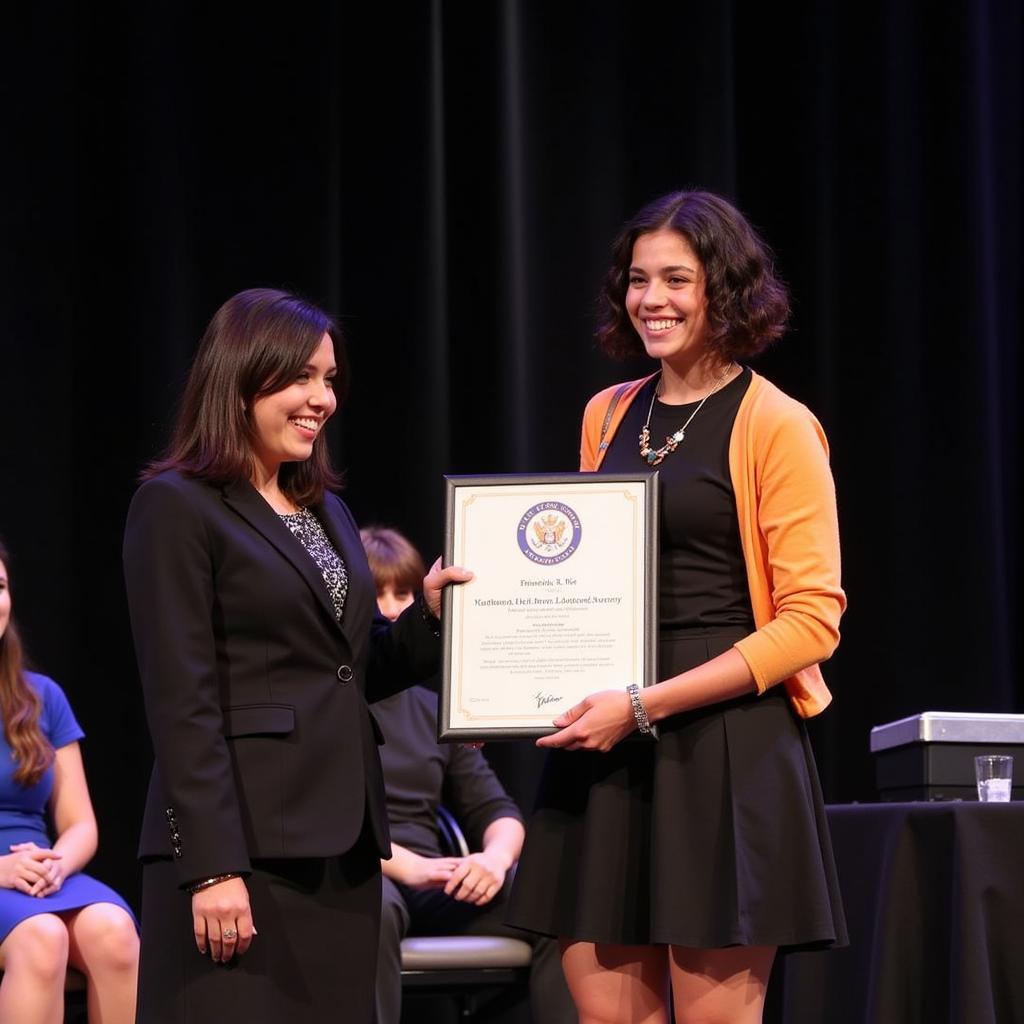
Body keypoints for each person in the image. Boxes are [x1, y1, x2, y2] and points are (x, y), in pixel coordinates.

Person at [506, 190, 847, 1024]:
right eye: (636, 279)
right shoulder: (609, 414)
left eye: (676, 279)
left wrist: (643, 705)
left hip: (725, 748)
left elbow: (811, 620)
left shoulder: (777, 424)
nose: (650, 298)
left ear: (724, 289)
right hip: (609, 750)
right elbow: (582, 575)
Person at [121, 289, 471, 1023]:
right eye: (301, 378)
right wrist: (213, 866)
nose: (322, 399)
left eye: (330, 379)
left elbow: (348, 668)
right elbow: (181, 701)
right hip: (240, 854)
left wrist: (428, 619)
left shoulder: (322, 509)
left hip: (339, 853)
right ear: (242, 381)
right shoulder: (176, 505)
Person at [360, 526, 577, 1024]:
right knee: (370, 908)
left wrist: (495, 861)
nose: (391, 608)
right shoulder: (329, 707)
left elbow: (497, 811)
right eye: (376, 594)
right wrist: (406, 866)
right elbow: (316, 818)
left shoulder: (436, 710)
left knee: (553, 905)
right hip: (367, 874)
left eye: (403, 592)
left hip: (436, 884)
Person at [0, 539, 139, 1023]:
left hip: (41, 875)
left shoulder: (42, 698)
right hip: (5, 880)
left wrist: (57, 865)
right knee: (43, 938)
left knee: (115, 932)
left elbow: (80, 823)